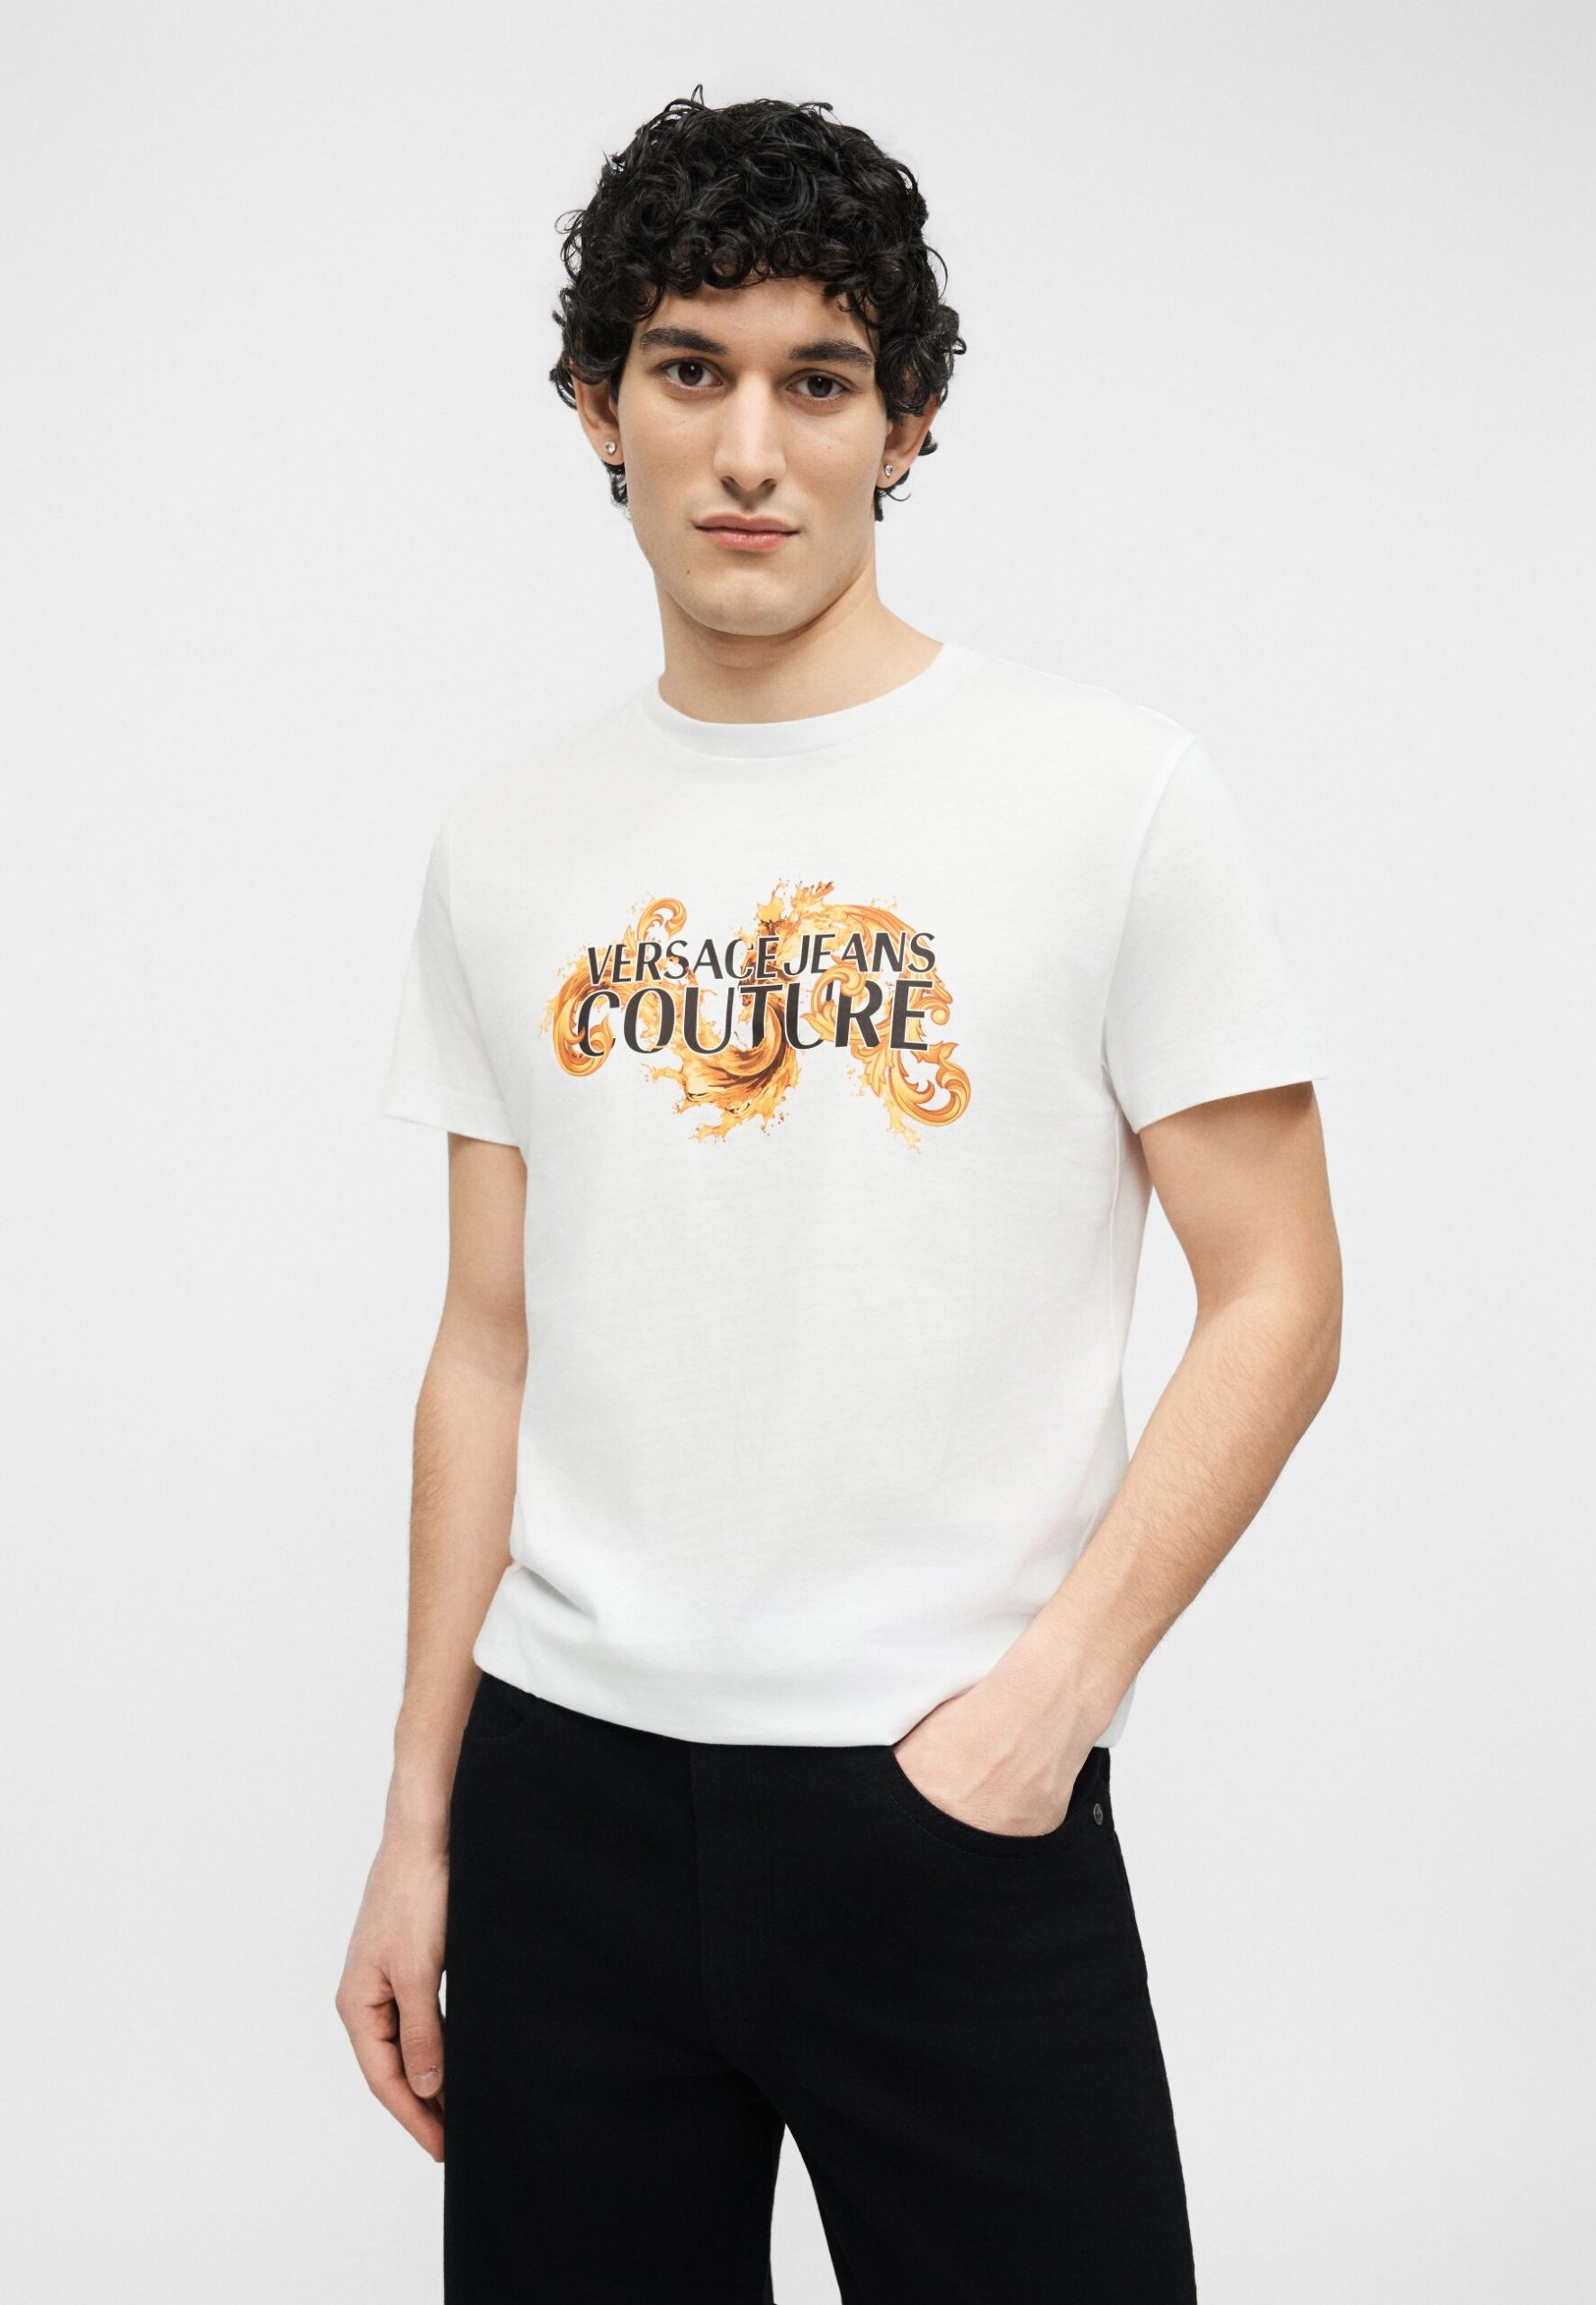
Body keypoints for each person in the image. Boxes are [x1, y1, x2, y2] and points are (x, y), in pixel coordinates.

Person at [337, 87, 1341, 2304]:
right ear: (595, 403)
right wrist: (420, 1820)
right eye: (688, 369)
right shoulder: (504, 841)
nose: (748, 452)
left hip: (943, 1798)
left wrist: (1047, 1703)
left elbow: (1277, 1287)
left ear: (906, 424)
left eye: (818, 380)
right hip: (565, 1804)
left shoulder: (1107, 793)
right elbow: (483, 1342)